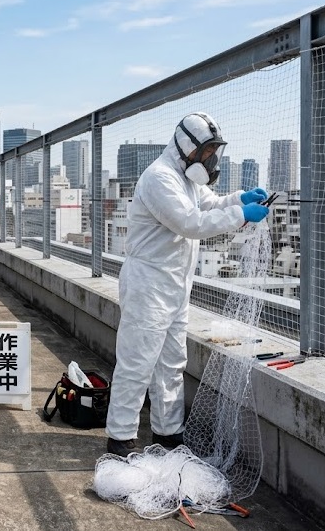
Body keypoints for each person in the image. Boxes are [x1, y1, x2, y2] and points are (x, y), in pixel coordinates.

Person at [105, 112, 270, 457]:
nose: (211, 159)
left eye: (214, 152)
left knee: (171, 363)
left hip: (176, 286)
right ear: (186, 146)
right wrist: (241, 216)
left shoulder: (187, 179)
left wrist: (240, 199)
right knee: (137, 363)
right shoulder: (159, 178)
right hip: (149, 284)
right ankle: (120, 439)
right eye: (207, 151)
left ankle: (168, 433)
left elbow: (209, 203)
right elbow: (190, 222)